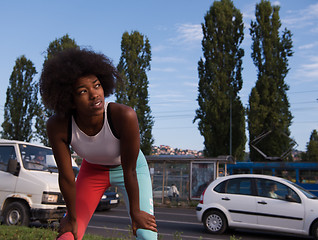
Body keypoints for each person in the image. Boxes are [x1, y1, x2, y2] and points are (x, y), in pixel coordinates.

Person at [39, 48, 157, 240]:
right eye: (83, 91)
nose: (94, 95)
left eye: (97, 86)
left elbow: (130, 171)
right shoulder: (58, 125)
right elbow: (67, 177)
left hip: (130, 168)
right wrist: (72, 218)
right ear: (70, 100)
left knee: (146, 235)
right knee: (68, 236)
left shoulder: (123, 116)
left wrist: (135, 212)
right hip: (92, 172)